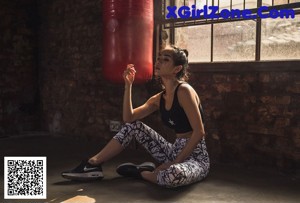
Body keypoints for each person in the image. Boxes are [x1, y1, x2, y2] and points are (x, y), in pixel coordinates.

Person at [61, 45, 210, 188]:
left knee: (173, 174)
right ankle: (93, 164)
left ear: (176, 69)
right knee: (133, 127)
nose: (158, 62)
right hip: (173, 151)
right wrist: (128, 85)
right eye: (158, 58)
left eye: (165, 59)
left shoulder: (184, 91)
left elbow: (199, 132)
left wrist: (174, 163)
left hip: (196, 158)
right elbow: (129, 118)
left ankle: (141, 173)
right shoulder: (159, 98)